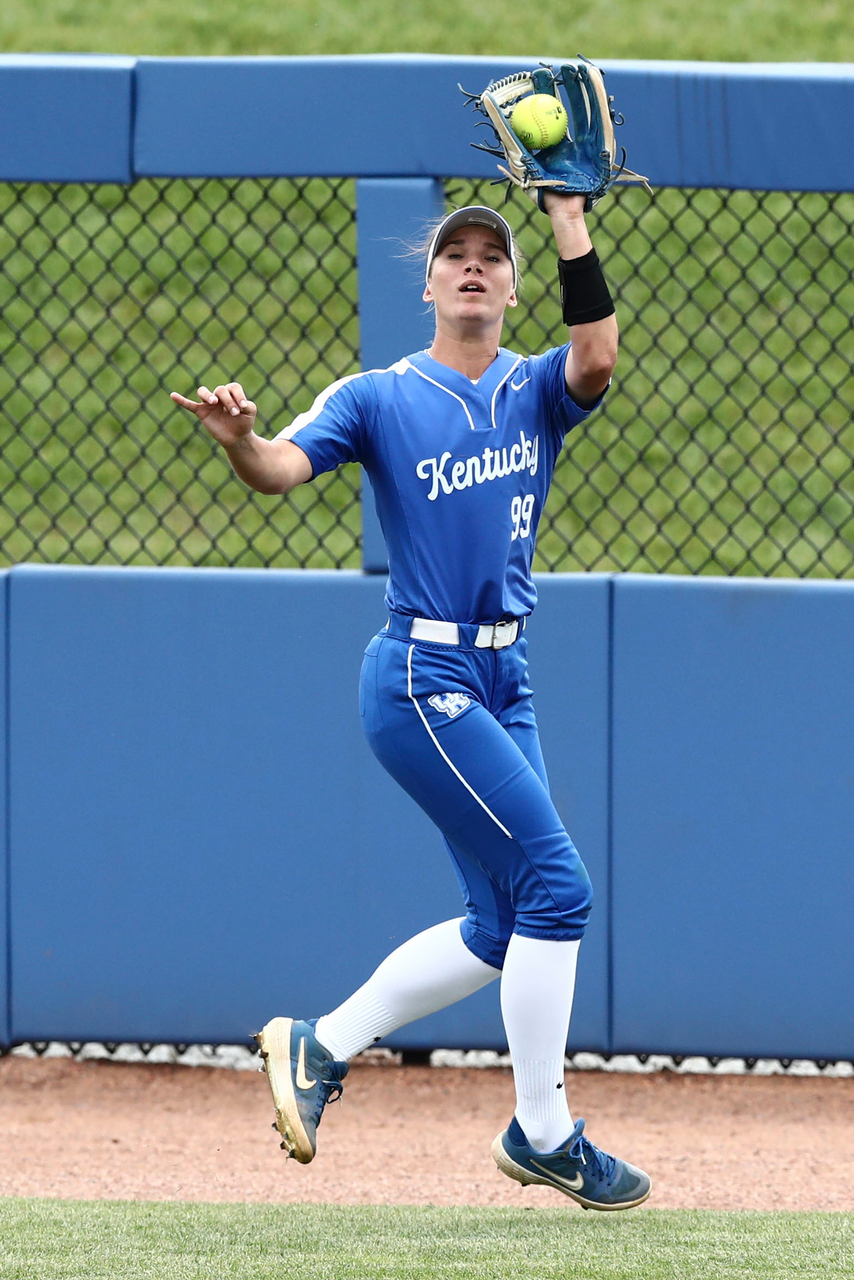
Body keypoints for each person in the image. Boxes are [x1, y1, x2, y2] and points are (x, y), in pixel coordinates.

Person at [170, 194, 651, 1211]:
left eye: (489, 255)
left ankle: (319, 1043)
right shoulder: (378, 395)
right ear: (427, 283)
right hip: (420, 675)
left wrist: (567, 218)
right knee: (558, 889)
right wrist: (235, 439)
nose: (471, 266)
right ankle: (543, 1129)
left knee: (500, 921)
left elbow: (597, 356)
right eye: (453, 254)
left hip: (499, 675)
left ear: (513, 285)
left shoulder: (532, 388)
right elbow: (280, 469)